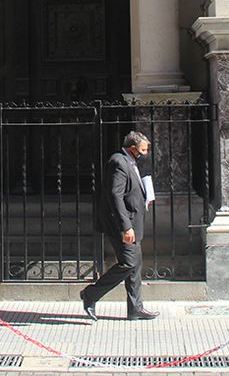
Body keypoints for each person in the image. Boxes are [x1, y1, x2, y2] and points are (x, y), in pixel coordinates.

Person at [79, 130, 159, 321]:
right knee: (128, 263)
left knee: (135, 265)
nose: (145, 154)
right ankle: (90, 294)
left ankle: (135, 308)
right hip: (123, 225)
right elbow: (115, 195)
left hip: (133, 222)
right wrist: (126, 227)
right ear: (132, 148)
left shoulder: (130, 162)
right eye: (142, 150)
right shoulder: (119, 162)